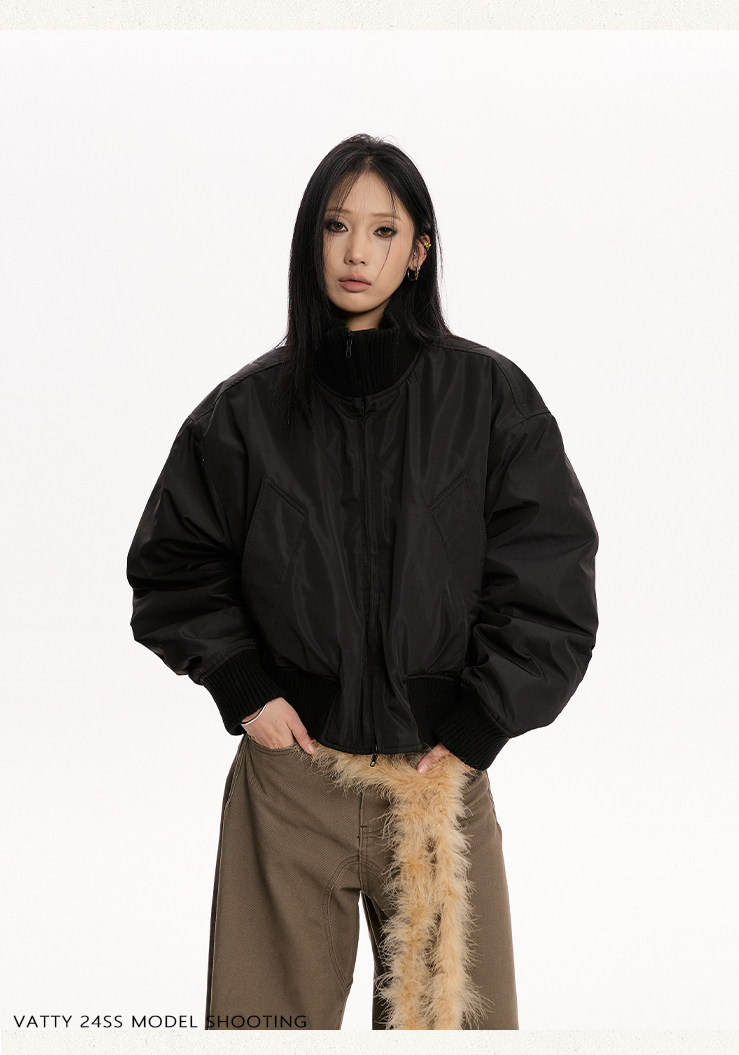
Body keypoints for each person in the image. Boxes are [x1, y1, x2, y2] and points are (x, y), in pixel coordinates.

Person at [126, 132, 599, 1031]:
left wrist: (480, 723)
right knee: (259, 1033)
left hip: (437, 782)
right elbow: (172, 563)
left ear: (418, 251)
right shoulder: (243, 413)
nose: (357, 252)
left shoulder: (490, 400)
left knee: (459, 1037)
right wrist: (244, 686)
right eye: (337, 225)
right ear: (310, 239)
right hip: (292, 778)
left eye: (384, 230)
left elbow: (550, 576)